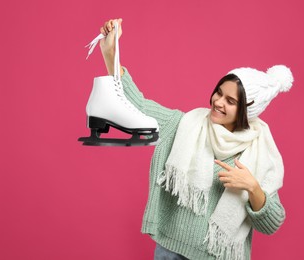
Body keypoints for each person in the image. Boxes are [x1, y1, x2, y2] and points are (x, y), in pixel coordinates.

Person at [98, 18, 292, 260]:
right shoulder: (184, 124)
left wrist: (252, 186)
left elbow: (272, 223)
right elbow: (137, 106)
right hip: (171, 251)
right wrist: (111, 54)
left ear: (246, 110)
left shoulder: (260, 151)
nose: (218, 102)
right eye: (219, 92)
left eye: (230, 101)